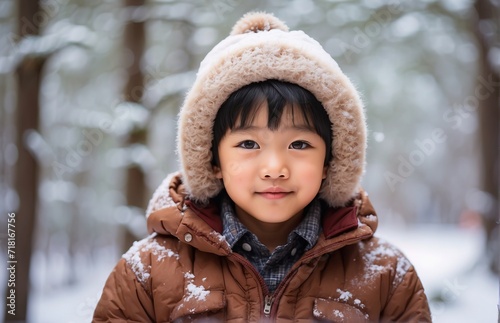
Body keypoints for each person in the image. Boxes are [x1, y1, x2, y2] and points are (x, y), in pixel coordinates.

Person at [93, 12, 431, 322]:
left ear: (331, 161)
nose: (274, 168)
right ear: (213, 161)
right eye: (248, 144)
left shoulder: (386, 274)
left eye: (299, 144)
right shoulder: (148, 272)